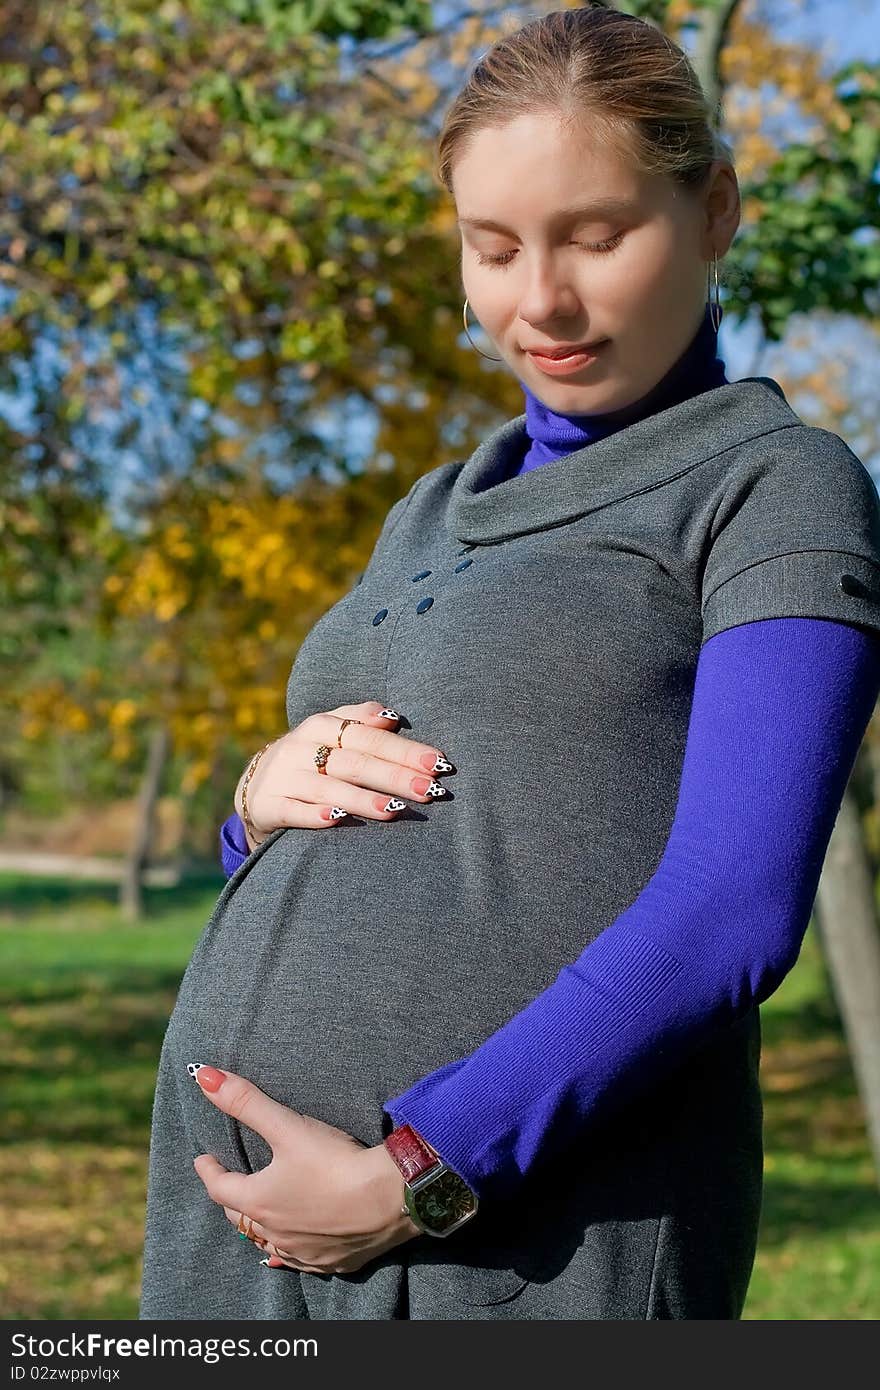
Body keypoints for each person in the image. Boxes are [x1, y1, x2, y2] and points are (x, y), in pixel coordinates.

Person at [140, 5, 880, 1320]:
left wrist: (420, 1168)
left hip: (515, 1254)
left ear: (714, 209)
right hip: (236, 1250)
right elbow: (347, 828)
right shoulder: (424, 507)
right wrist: (252, 803)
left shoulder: (775, 484)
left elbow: (734, 908)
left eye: (599, 237)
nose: (540, 298)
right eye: (495, 247)